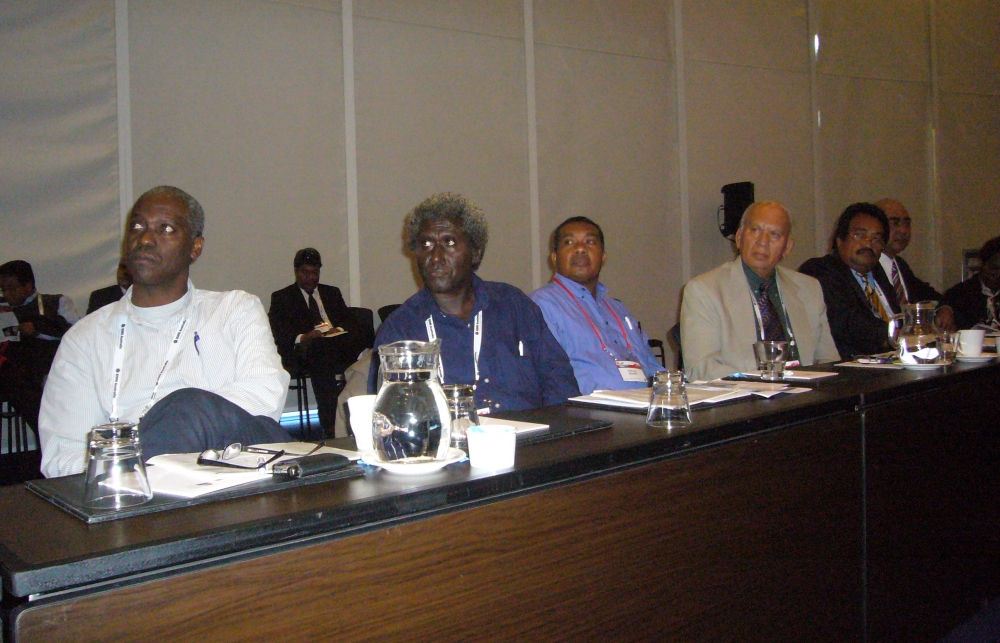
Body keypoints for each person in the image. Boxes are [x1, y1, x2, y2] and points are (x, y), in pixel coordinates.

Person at [39, 186, 291, 478]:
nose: (145, 239)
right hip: (133, 491)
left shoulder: (234, 310)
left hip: (233, 475)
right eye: (137, 227)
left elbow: (264, 398)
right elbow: (63, 455)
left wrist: (174, 425)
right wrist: (136, 456)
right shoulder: (84, 338)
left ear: (195, 247)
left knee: (188, 407)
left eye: (166, 228)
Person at [367, 192, 579, 413]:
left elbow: (560, 384)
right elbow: (390, 414)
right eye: (426, 244)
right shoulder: (400, 330)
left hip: (531, 432)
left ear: (476, 253)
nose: (436, 257)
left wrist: (556, 429)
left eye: (449, 242)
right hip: (450, 435)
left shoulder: (514, 306)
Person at [680, 202, 839, 381]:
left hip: (806, 393)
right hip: (745, 395)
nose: (763, 242)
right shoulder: (705, 290)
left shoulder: (809, 289)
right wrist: (762, 384)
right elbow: (701, 369)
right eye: (755, 230)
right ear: (739, 238)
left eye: (774, 234)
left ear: (787, 247)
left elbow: (828, 361)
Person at [530, 216, 663, 394]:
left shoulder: (618, 309)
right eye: (569, 242)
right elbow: (549, 380)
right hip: (588, 408)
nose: (580, 249)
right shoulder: (542, 305)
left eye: (590, 242)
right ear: (554, 258)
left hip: (645, 403)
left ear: (603, 257)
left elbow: (654, 369)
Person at [268, 248, 368, 435]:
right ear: (296, 271)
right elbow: (280, 333)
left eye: (315, 273)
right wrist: (303, 337)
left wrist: (338, 329)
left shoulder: (331, 293)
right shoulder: (282, 297)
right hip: (306, 350)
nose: (311, 278)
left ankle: (358, 407)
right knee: (320, 350)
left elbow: (348, 321)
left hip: (335, 344)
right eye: (305, 273)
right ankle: (330, 422)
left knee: (363, 334)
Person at [799, 202, 900, 359]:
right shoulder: (820, 270)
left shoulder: (879, 272)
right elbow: (848, 322)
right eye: (860, 235)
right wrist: (898, 335)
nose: (868, 243)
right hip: (853, 365)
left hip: (897, 360)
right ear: (840, 240)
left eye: (876, 238)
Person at [0, 260, 80, 432]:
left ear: (28, 285)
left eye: (11, 288)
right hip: (17, 377)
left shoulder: (57, 302)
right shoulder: (4, 308)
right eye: (3, 289)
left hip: (49, 369)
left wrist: (38, 331)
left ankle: (49, 430)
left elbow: (76, 335)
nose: (7, 294)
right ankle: (46, 430)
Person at [874, 198, 956, 331]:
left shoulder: (900, 266)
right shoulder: (867, 268)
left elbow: (930, 296)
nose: (903, 230)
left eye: (906, 223)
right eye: (894, 223)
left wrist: (944, 308)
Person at [941, 235, 1000, 330]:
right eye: (994, 268)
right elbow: (944, 303)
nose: (998, 274)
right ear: (983, 265)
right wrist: (945, 309)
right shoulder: (962, 292)